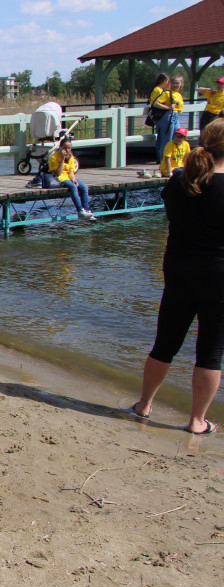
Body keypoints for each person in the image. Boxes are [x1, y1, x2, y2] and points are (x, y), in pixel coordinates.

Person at [132, 118, 224, 435]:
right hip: (219, 279)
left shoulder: (180, 182)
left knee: (165, 343)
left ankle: (144, 404)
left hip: (179, 272)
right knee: (211, 352)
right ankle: (196, 420)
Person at [47, 138, 96, 220]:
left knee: (83, 186)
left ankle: (87, 210)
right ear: (60, 147)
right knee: (73, 187)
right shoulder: (54, 157)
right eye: (65, 147)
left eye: (69, 148)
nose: (67, 150)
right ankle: (80, 210)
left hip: (68, 178)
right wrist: (62, 159)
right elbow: (58, 173)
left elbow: (71, 172)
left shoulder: (71, 157)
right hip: (58, 179)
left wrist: (73, 179)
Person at [152, 75, 184, 162]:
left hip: (176, 116)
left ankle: (172, 159)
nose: (175, 85)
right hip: (169, 116)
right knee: (167, 139)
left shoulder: (179, 95)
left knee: (177, 137)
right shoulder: (167, 93)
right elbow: (156, 103)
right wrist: (168, 107)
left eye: (177, 83)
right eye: (173, 83)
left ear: (181, 84)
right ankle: (163, 160)